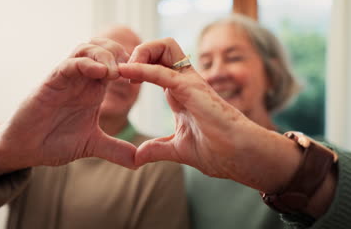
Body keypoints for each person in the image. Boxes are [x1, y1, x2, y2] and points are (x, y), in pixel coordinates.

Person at [0, 26, 189, 229]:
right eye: (112, 60)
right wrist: (3, 148)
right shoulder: (38, 138)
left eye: (136, 65)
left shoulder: (156, 161)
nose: (121, 75)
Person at [118, 14, 351, 229]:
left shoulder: (317, 159)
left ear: (271, 74)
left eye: (234, 58)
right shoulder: (181, 171)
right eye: (206, 63)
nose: (217, 73)